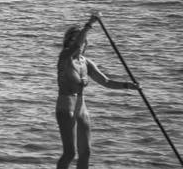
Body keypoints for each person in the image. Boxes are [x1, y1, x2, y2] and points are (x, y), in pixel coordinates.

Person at [56, 13, 139, 168]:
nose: (79, 43)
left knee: (86, 152)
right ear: (68, 42)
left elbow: (106, 82)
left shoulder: (85, 62)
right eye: (74, 40)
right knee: (70, 153)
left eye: (81, 40)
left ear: (86, 43)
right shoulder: (65, 56)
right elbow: (75, 46)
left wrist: (128, 85)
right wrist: (89, 24)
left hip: (82, 107)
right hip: (66, 106)